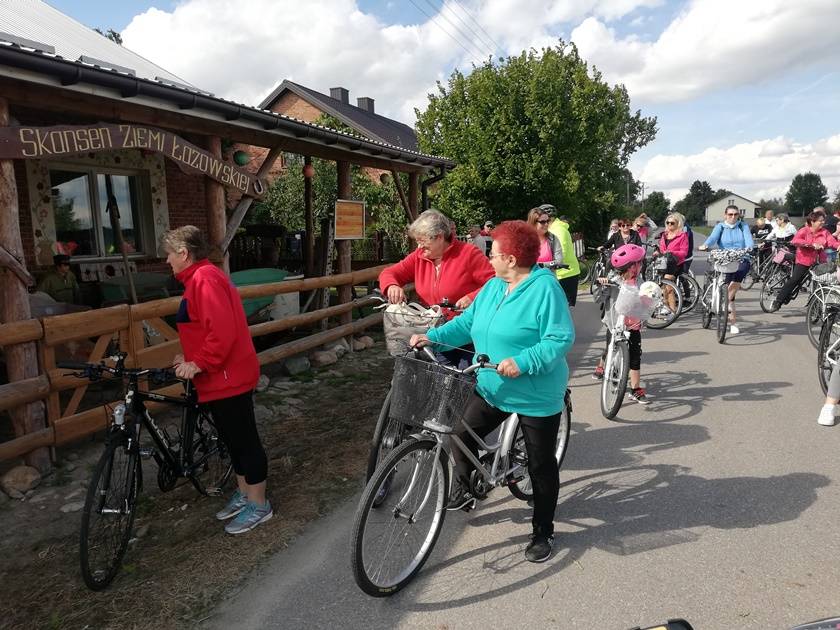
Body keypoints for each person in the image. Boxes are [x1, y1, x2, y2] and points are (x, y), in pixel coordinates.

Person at [409, 220, 575, 563]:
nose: (489, 259)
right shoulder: (494, 287)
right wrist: (432, 337)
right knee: (459, 433)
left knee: (541, 465)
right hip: (491, 384)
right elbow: (467, 323)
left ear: (511, 259)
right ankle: (468, 485)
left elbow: (559, 338)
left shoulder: (545, 289)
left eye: (494, 254)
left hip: (535, 393)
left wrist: (523, 361)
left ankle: (542, 530)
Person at [162, 226, 271, 535]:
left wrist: (199, 363)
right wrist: (189, 357)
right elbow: (204, 329)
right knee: (232, 440)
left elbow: (221, 333)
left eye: (169, 254)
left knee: (245, 440)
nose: (167, 261)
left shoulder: (205, 280)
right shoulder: (199, 279)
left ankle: (259, 504)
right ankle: (245, 493)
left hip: (228, 376)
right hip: (219, 378)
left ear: (184, 253)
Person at [379, 209, 494, 364]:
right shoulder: (419, 257)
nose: (419, 246)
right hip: (434, 333)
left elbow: (495, 284)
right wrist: (392, 285)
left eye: (422, 241)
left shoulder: (468, 254)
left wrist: (472, 297)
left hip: (467, 335)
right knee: (441, 375)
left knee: (466, 375)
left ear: (440, 237)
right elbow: (389, 273)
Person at [592, 244, 650, 403]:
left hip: (633, 326)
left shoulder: (640, 281)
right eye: (639, 263)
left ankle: (635, 389)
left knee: (635, 357)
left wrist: (650, 297)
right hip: (614, 325)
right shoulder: (613, 280)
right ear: (631, 266)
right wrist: (600, 285)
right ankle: (603, 366)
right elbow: (598, 298)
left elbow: (646, 301)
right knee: (610, 349)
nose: (641, 265)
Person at [698, 204, 754, 335]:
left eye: (736, 214)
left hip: (741, 257)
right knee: (726, 287)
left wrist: (750, 247)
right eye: (730, 214)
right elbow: (713, 238)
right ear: (725, 215)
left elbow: (748, 239)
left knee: (734, 284)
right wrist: (705, 245)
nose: (733, 217)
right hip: (725, 259)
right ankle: (726, 309)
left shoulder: (743, 226)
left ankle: (732, 320)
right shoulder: (720, 226)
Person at [769, 210, 840, 312]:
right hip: (804, 260)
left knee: (821, 282)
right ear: (812, 221)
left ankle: (816, 307)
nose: (823, 222)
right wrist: (811, 244)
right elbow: (796, 241)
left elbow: (832, 242)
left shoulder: (825, 232)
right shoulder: (804, 230)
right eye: (820, 221)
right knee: (795, 280)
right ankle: (778, 301)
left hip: (819, 261)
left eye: (823, 220)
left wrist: (838, 246)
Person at [543, 205, 581, 306]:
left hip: (565, 274)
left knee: (562, 308)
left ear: (549, 218)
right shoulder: (552, 229)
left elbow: (560, 253)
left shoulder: (558, 230)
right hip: (558, 274)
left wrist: (543, 265)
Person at [655, 213, 690, 313]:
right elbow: (662, 250)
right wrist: (658, 252)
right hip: (663, 263)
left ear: (678, 224)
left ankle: (673, 310)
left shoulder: (682, 236)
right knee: (663, 287)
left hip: (675, 263)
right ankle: (666, 307)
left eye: (672, 223)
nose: (669, 224)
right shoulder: (664, 235)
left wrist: (672, 252)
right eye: (668, 222)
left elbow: (684, 253)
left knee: (669, 286)